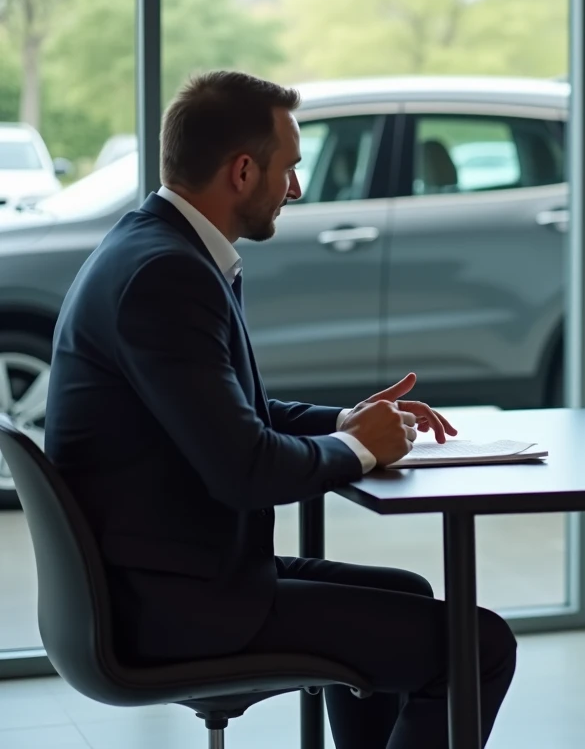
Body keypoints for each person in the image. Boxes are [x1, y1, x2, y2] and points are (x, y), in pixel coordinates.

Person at [45, 70, 516, 749]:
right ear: (243, 170)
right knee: (480, 645)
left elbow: (232, 414)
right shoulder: (166, 276)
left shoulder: (153, 249)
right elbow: (245, 470)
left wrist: (346, 423)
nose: (295, 188)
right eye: (289, 168)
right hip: (177, 609)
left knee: (411, 594)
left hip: (174, 580)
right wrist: (361, 449)